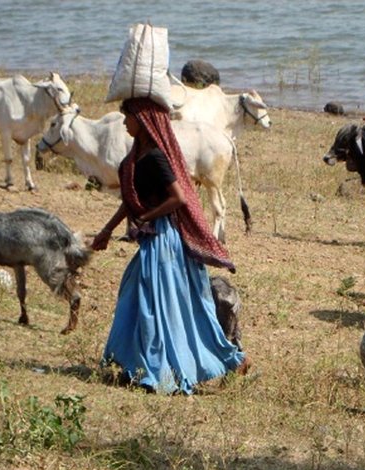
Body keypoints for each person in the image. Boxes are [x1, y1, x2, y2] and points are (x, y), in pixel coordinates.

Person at [92, 97, 249, 394]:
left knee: (158, 305)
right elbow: (129, 202)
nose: (125, 123)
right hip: (152, 235)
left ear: (144, 120)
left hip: (164, 239)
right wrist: (107, 231)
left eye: (129, 118)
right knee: (137, 297)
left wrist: (146, 218)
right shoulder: (134, 159)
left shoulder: (155, 158)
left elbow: (177, 197)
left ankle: (165, 369)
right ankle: (139, 364)